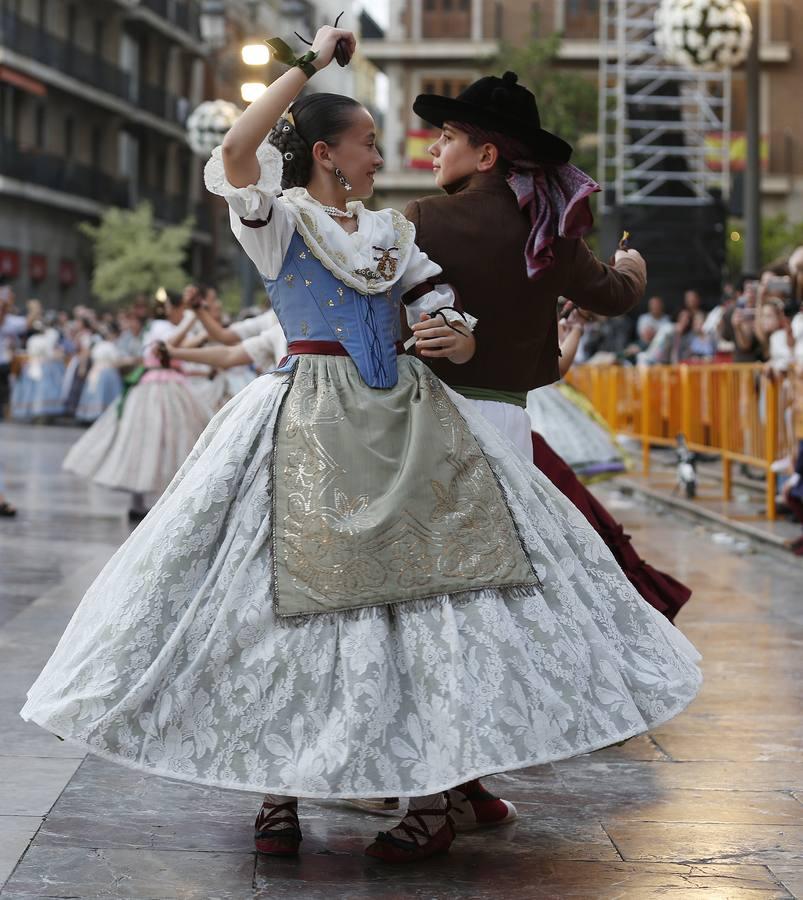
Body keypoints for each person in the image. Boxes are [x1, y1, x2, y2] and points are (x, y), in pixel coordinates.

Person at [21, 29, 701, 866]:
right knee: (274, 604)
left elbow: (435, 302)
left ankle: (433, 783)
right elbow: (238, 148)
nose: (388, 155)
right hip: (304, 419)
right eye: (370, 143)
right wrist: (306, 65)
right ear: (326, 154)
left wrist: (451, 336)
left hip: (401, 420)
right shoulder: (278, 218)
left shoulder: (390, 230)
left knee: (400, 608)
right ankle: (281, 790)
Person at [61, 290, 210, 520]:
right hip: (157, 387)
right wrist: (193, 320)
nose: (182, 314)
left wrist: (200, 326)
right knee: (152, 441)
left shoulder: (162, 326)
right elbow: (169, 346)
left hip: (165, 385)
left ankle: (153, 501)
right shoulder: (161, 326)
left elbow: (183, 346)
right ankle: (141, 502)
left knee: (163, 442)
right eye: (181, 310)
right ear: (173, 308)